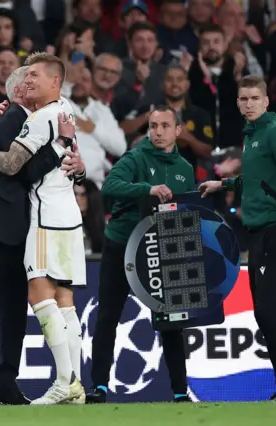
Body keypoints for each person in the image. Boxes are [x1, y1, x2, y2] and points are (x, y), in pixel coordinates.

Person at [0, 65, 84, 405]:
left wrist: (73, 158)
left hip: (21, 230)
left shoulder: (47, 116)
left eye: (36, 80)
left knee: (14, 313)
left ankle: (6, 385)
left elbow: (47, 166)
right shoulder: (14, 117)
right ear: (17, 93)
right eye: (26, 82)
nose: (30, 86)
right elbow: (20, 170)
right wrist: (58, 147)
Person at [199, 75, 276, 401]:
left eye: (254, 98)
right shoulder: (253, 136)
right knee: (264, 310)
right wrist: (222, 185)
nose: (248, 104)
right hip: (260, 233)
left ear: (266, 101)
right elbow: (256, 181)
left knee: (267, 309)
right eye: (243, 99)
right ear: (237, 103)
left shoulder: (274, 133)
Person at [85, 106, 195, 404]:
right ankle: (99, 387)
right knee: (108, 316)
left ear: (178, 131)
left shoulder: (185, 170)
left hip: (163, 248)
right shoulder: (136, 157)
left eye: (164, 126)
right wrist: (147, 189)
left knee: (171, 320)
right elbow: (109, 185)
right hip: (123, 245)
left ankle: (180, 391)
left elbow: (188, 211)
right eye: (153, 125)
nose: (158, 132)